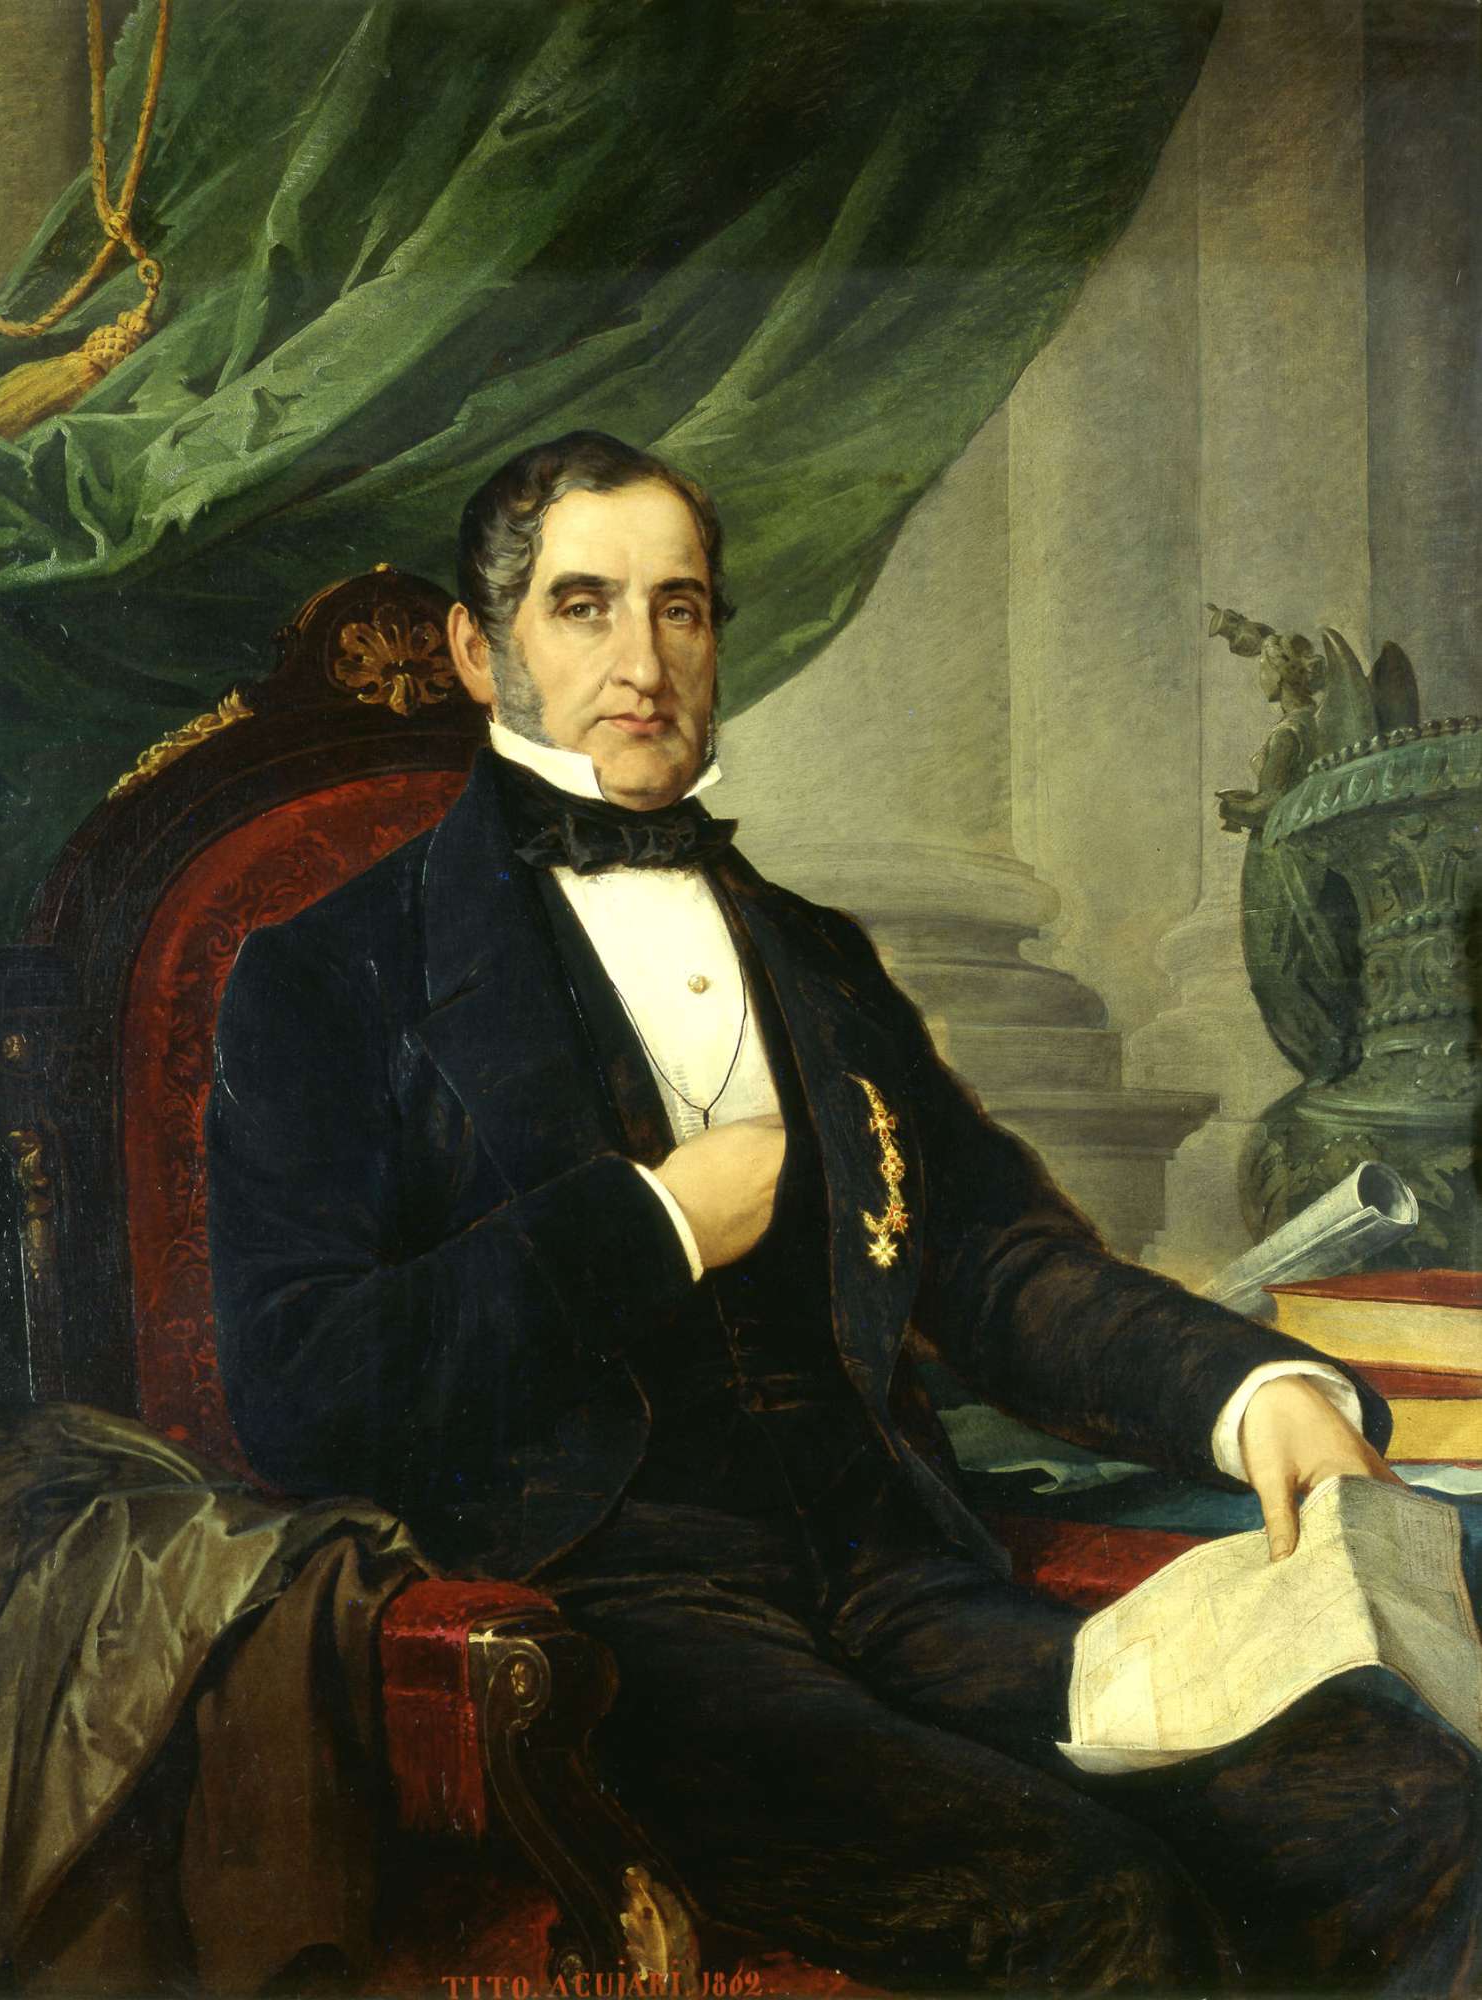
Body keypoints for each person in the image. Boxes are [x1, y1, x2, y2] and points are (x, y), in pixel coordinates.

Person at [207, 431, 1478, 1993]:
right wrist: (651, 1225)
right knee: (1088, 1907)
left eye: (679, 608)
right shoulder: (328, 975)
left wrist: (1251, 1392)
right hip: (614, 1621)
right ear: (481, 651)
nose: (641, 662)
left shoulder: (813, 955)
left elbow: (993, 1260)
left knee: (1404, 1807)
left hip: (897, 1571)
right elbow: (299, 1382)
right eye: (583, 606)